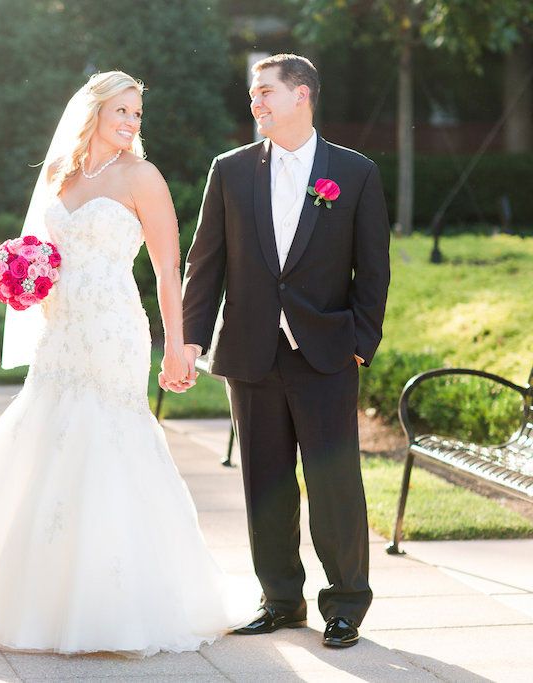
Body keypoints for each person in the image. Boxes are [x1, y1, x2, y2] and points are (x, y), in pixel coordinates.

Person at [0, 71, 259, 657]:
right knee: (43, 434)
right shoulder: (60, 175)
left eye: (137, 113)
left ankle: (117, 603)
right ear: (94, 111)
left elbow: (166, 270)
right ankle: (24, 599)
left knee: (109, 438)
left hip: (113, 329)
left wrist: (178, 344)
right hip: (61, 331)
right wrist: (23, 276)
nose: (131, 122)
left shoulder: (144, 177)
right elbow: (43, 251)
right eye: (121, 110)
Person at [179, 53, 391, 648]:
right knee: (264, 484)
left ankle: (346, 603)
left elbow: (373, 270)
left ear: (302, 95)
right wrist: (192, 340)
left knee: (335, 485)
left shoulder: (356, 173)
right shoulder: (231, 170)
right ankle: (280, 600)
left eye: (266, 92)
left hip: (325, 354)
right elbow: (206, 264)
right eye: (253, 95)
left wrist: (360, 343)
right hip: (251, 353)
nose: (256, 104)